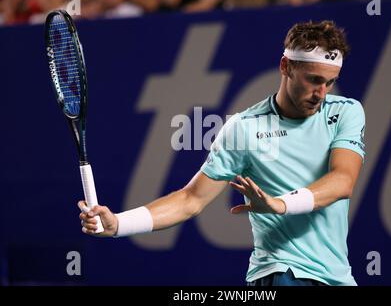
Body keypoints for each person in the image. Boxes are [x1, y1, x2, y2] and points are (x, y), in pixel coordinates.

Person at [79, 20, 366, 286]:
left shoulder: (346, 112)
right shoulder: (243, 128)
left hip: (337, 275)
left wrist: (280, 204)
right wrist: (119, 224)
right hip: (282, 271)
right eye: (314, 80)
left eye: (329, 82)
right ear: (286, 66)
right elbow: (191, 199)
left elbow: (343, 180)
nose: (321, 93)